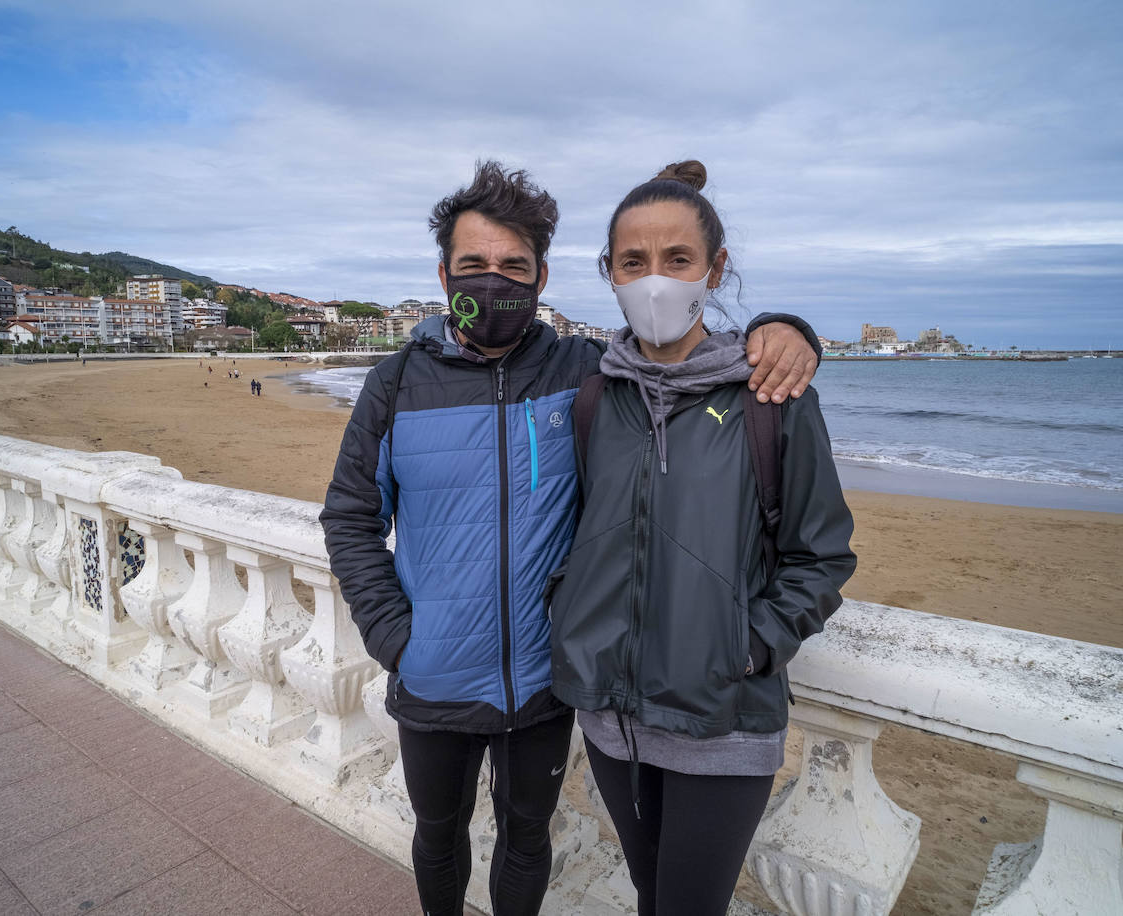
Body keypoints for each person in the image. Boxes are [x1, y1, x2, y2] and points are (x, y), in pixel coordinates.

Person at [320, 161, 822, 916]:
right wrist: (396, 636)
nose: (494, 282)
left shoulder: (583, 373)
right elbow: (350, 516)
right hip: (433, 675)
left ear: (543, 275)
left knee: (529, 836)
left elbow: (675, 360)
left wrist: (782, 330)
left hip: (548, 678)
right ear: (443, 271)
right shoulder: (395, 383)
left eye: (514, 267)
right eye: (474, 266)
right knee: (437, 832)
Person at [546, 160, 857, 916]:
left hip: (722, 719)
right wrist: (575, 618)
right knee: (652, 893)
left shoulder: (772, 398)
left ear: (715, 270)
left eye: (678, 260)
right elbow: (579, 531)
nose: (655, 281)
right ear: (609, 273)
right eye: (634, 262)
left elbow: (822, 555)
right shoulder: (594, 397)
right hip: (611, 717)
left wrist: (747, 647)